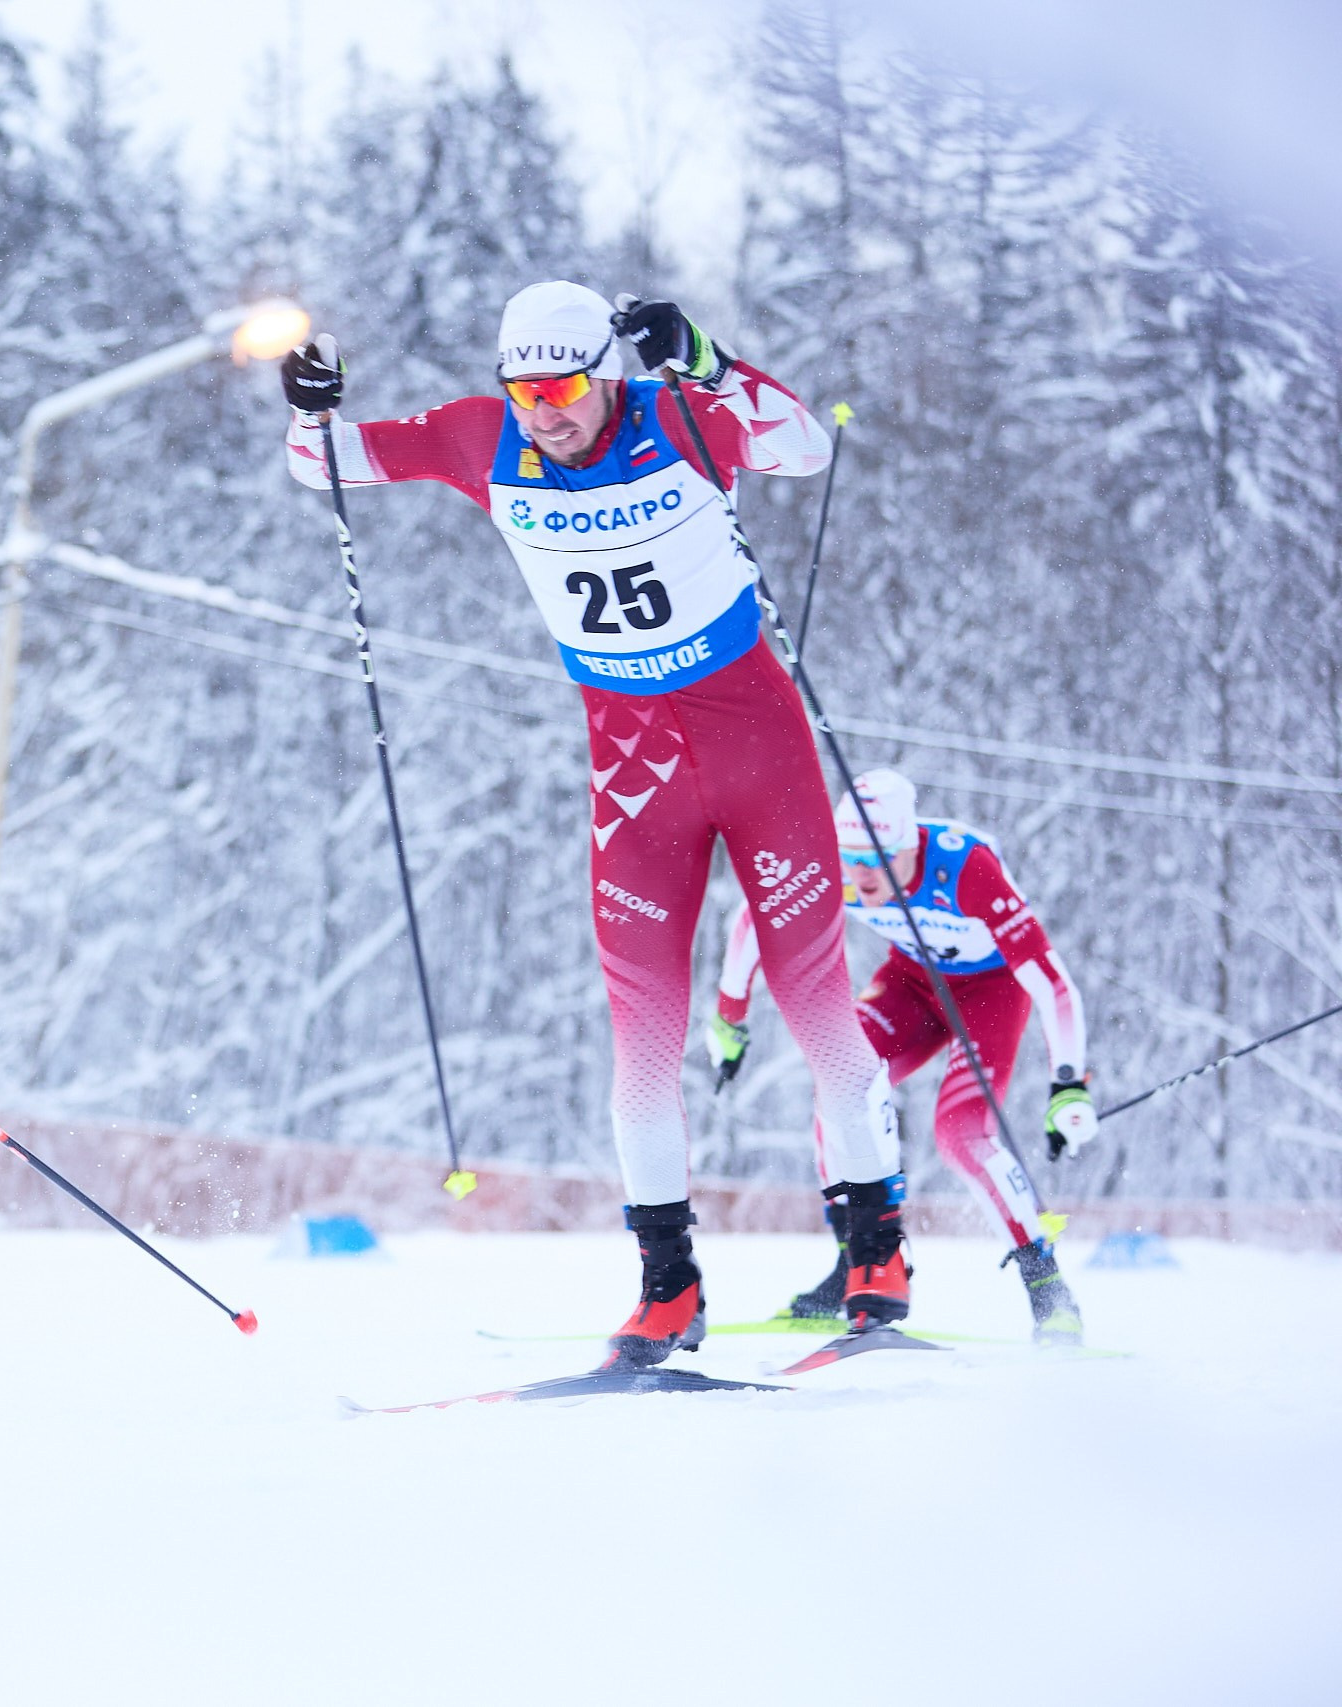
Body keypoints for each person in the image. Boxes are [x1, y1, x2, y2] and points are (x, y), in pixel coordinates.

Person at [280, 283, 908, 1364]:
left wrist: (707, 360)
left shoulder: (680, 419)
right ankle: (667, 1286)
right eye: (522, 390)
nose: (544, 412)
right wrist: (311, 406)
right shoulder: (482, 439)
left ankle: (876, 1257)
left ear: (606, 375)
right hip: (634, 782)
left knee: (816, 1013)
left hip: (761, 758)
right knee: (641, 1042)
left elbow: (803, 446)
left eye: (563, 387)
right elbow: (320, 466)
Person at [711, 770, 1092, 1342]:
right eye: (852, 859)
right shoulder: (832, 862)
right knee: (838, 1080)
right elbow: (752, 919)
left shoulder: (964, 868)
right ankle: (856, 1260)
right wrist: (729, 1019)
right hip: (912, 984)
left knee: (961, 1134)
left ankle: (1048, 1288)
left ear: (910, 846)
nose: (862, 874)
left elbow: (1053, 983)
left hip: (990, 993)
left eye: (879, 859)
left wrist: (1068, 1084)